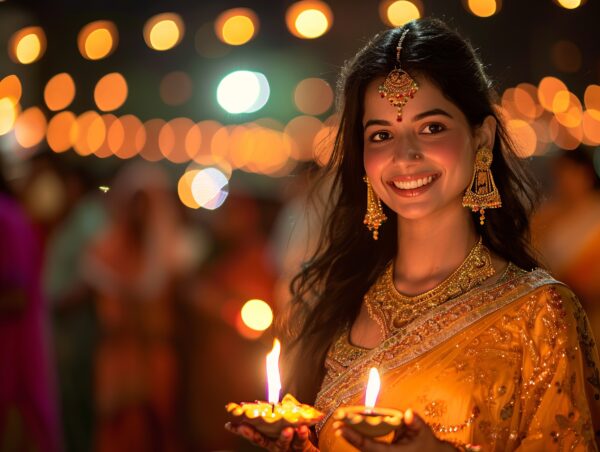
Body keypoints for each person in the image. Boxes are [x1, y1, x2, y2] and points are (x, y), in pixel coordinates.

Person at [226, 18, 600, 451]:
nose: (405, 155)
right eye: (381, 135)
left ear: (483, 136)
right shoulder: (340, 300)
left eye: (432, 128)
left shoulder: (541, 313)